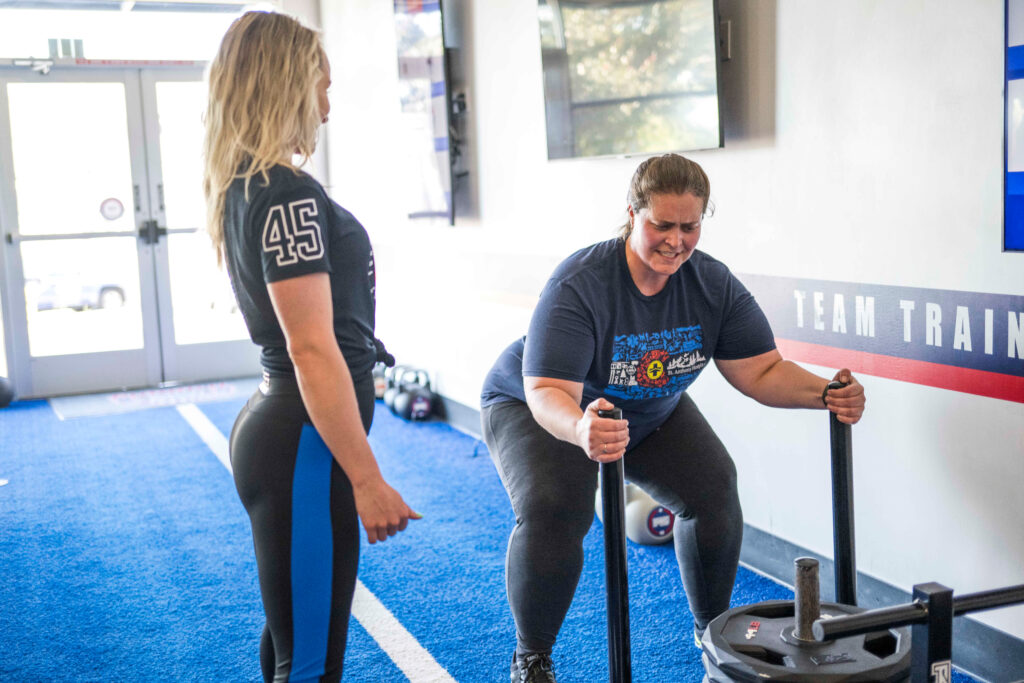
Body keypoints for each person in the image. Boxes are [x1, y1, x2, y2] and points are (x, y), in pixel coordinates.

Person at [480, 153, 865, 683]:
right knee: (558, 509)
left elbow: (763, 371)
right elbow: (546, 388)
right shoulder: (581, 282)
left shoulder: (712, 285)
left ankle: (715, 637)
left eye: (690, 226)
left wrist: (826, 393)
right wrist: (580, 429)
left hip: (648, 410)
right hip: (545, 410)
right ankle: (532, 658)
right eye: (662, 224)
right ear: (633, 213)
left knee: (712, 490)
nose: (675, 240)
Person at [202, 11, 420, 682]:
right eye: (320, 86)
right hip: (303, 445)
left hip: (286, 432)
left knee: (294, 633)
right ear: (285, 85)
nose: (326, 108)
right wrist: (366, 477)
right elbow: (312, 349)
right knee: (312, 660)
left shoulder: (249, 187)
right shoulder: (286, 195)